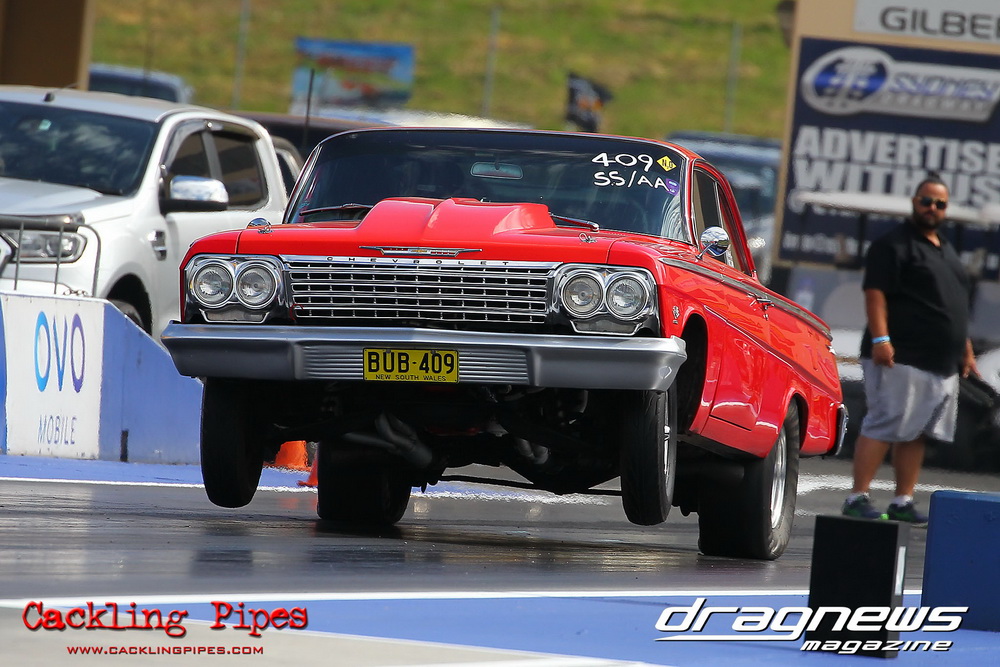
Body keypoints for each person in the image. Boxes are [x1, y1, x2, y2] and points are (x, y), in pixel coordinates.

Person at [842, 175, 978, 524]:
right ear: (915, 202)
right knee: (884, 422)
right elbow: (875, 294)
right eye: (926, 201)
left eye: (940, 204)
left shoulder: (945, 249)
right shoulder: (893, 245)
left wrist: (964, 348)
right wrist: (881, 339)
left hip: (941, 362)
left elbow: (953, 304)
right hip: (901, 355)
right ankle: (857, 496)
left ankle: (902, 500)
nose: (932, 208)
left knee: (919, 432)